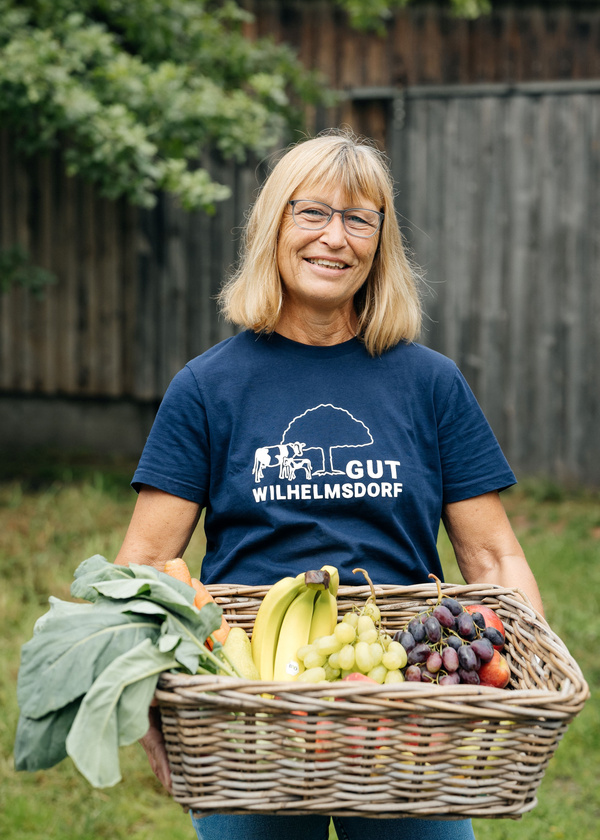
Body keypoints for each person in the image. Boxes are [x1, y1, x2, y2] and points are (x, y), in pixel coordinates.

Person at [115, 130, 543, 840]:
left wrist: (523, 675)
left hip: (407, 694)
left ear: (381, 240)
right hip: (247, 700)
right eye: (310, 213)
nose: (333, 239)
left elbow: (495, 559)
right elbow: (144, 565)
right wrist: (144, 702)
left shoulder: (430, 383)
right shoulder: (207, 387)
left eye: (358, 218)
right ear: (273, 226)